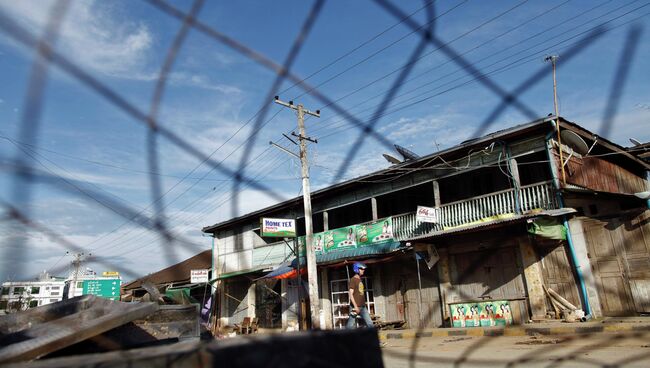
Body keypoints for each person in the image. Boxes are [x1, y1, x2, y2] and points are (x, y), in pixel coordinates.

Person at [346, 262, 374, 329]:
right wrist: (355, 306)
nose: (363, 270)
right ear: (357, 269)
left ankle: (372, 337)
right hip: (355, 307)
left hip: (363, 306)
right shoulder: (353, 280)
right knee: (350, 325)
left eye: (363, 269)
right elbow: (350, 294)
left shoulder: (360, 279)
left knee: (370, 323)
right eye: (361, 269)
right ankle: (345, 338)